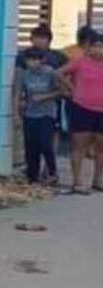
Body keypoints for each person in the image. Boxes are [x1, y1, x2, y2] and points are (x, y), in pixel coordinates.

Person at [57, 31, 103, 194]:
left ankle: (98, 181)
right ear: (88, 48)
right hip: (82, 108)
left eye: (101, 46)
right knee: (79, 146)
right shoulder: (80, 62)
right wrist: (70, 89)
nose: (98, 50)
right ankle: (77, 182)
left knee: (100, 147)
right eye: (95, 46)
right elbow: (59, 73)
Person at [16, 48, 61, 184]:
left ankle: (52, 172)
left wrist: (45, 96)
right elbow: (20, 92)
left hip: (47, 113)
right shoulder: (25, 75)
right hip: (30, 113)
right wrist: (20, 104)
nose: (32, 63)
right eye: (29, 59)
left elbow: (62, 91)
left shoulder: (49, 73)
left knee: (45, 143)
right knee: (31, 145)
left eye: (36, 59)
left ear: (42, 60)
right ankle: (32, 175)